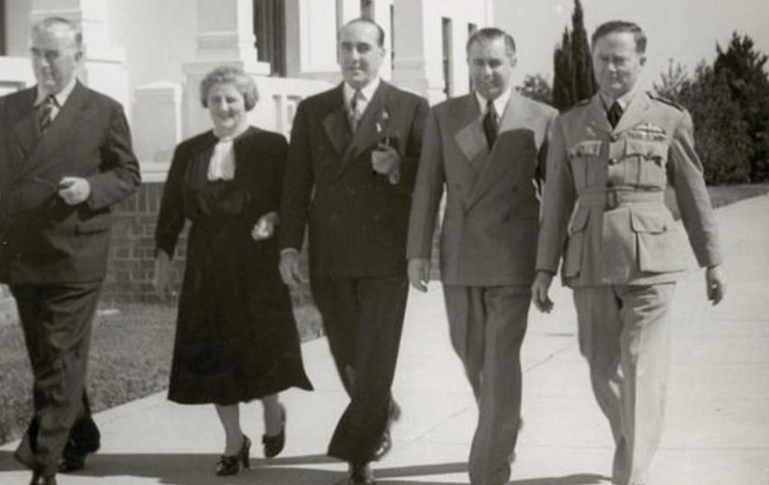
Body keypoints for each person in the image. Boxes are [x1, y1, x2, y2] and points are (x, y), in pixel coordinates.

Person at [531, 20, 726, 485]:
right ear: (593, 61)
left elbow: (695, 193)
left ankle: (630, 475)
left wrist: (712, 260)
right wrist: (543, 268)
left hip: (651, 261)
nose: (611, 68)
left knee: (640, 366)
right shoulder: (570, 121)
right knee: (601, 369)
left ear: (641, 60)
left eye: (621, 59)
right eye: (603, 58)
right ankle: (634, 442)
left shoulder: (669, 117)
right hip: (590, 259)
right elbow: (556, 201)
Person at [0, 17, 141, 485]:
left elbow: (128, 173)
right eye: (36, 53)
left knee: (58, 353)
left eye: (52, 54)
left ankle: (44, 461)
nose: (43, 64)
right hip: (22, 255)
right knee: (49, 358)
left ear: (78, 56)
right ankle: (80, 432)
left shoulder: (103, 110)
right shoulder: (7, 109)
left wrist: (90, 188)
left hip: (76, 254)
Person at [278, 17, 429, 485]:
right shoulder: (313, 110)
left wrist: (398, 167)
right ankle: (379, 405)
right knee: (346, 350)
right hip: (332, 252)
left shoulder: (410, 107)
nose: (355, 57)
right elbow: (296, 182)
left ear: (382, 54)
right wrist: (288, 245)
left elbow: (430, 179)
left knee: (377, 351)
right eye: (347, 47)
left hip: (386, 254)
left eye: (364, 48)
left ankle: (358, 451)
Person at [406, 27, 556, 485]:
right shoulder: (443, 116)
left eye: (495, 63)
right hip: (461, 257)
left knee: (499, 361)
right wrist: (417, 252)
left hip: (514, 258)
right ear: (467, 65)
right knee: (471, 355)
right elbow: (427, 188)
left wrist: (547, 266)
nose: (486, 72)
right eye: (477, 63)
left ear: (512, 63)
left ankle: (488, 468)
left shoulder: (543, 116)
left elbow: (556, 196)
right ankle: (504, 422)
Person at [153, 66, 313, 477]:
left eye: (231, 99)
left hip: (256, 264)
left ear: (246, 101)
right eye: (216, 99)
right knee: (212, 355)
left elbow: (292, 200)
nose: (223, 107)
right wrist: (163, 259)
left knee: (260, 348)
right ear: (206, 103)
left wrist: (274, 219)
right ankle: (232, 440)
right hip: (207, 265)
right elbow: (171, 208)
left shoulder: (272, 146)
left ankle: (273, 411)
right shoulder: (189, 151)